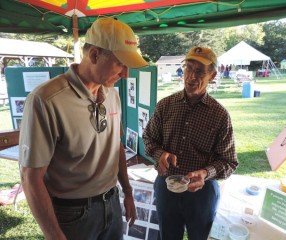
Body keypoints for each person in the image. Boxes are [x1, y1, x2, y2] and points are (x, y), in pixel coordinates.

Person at [18, 18, 148, 240]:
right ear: (95, 55)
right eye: (120, 64)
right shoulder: (46, 100)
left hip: (111, 202)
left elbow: (115, 146)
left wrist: (127, 191)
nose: (126, 74)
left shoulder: (112, 95)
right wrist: (55, 236)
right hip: (72, 213)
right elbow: (30, 176)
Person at [142, 46, 238, 240]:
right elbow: (148, 138)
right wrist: (160, 154)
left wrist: (205, 173)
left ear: (212, 76)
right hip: (166, 187)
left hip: (201, 194)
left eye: (200, 71)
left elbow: (229, 162)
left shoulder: (219, 115)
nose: (191, 76)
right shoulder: (165, 105)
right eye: (188, 68)